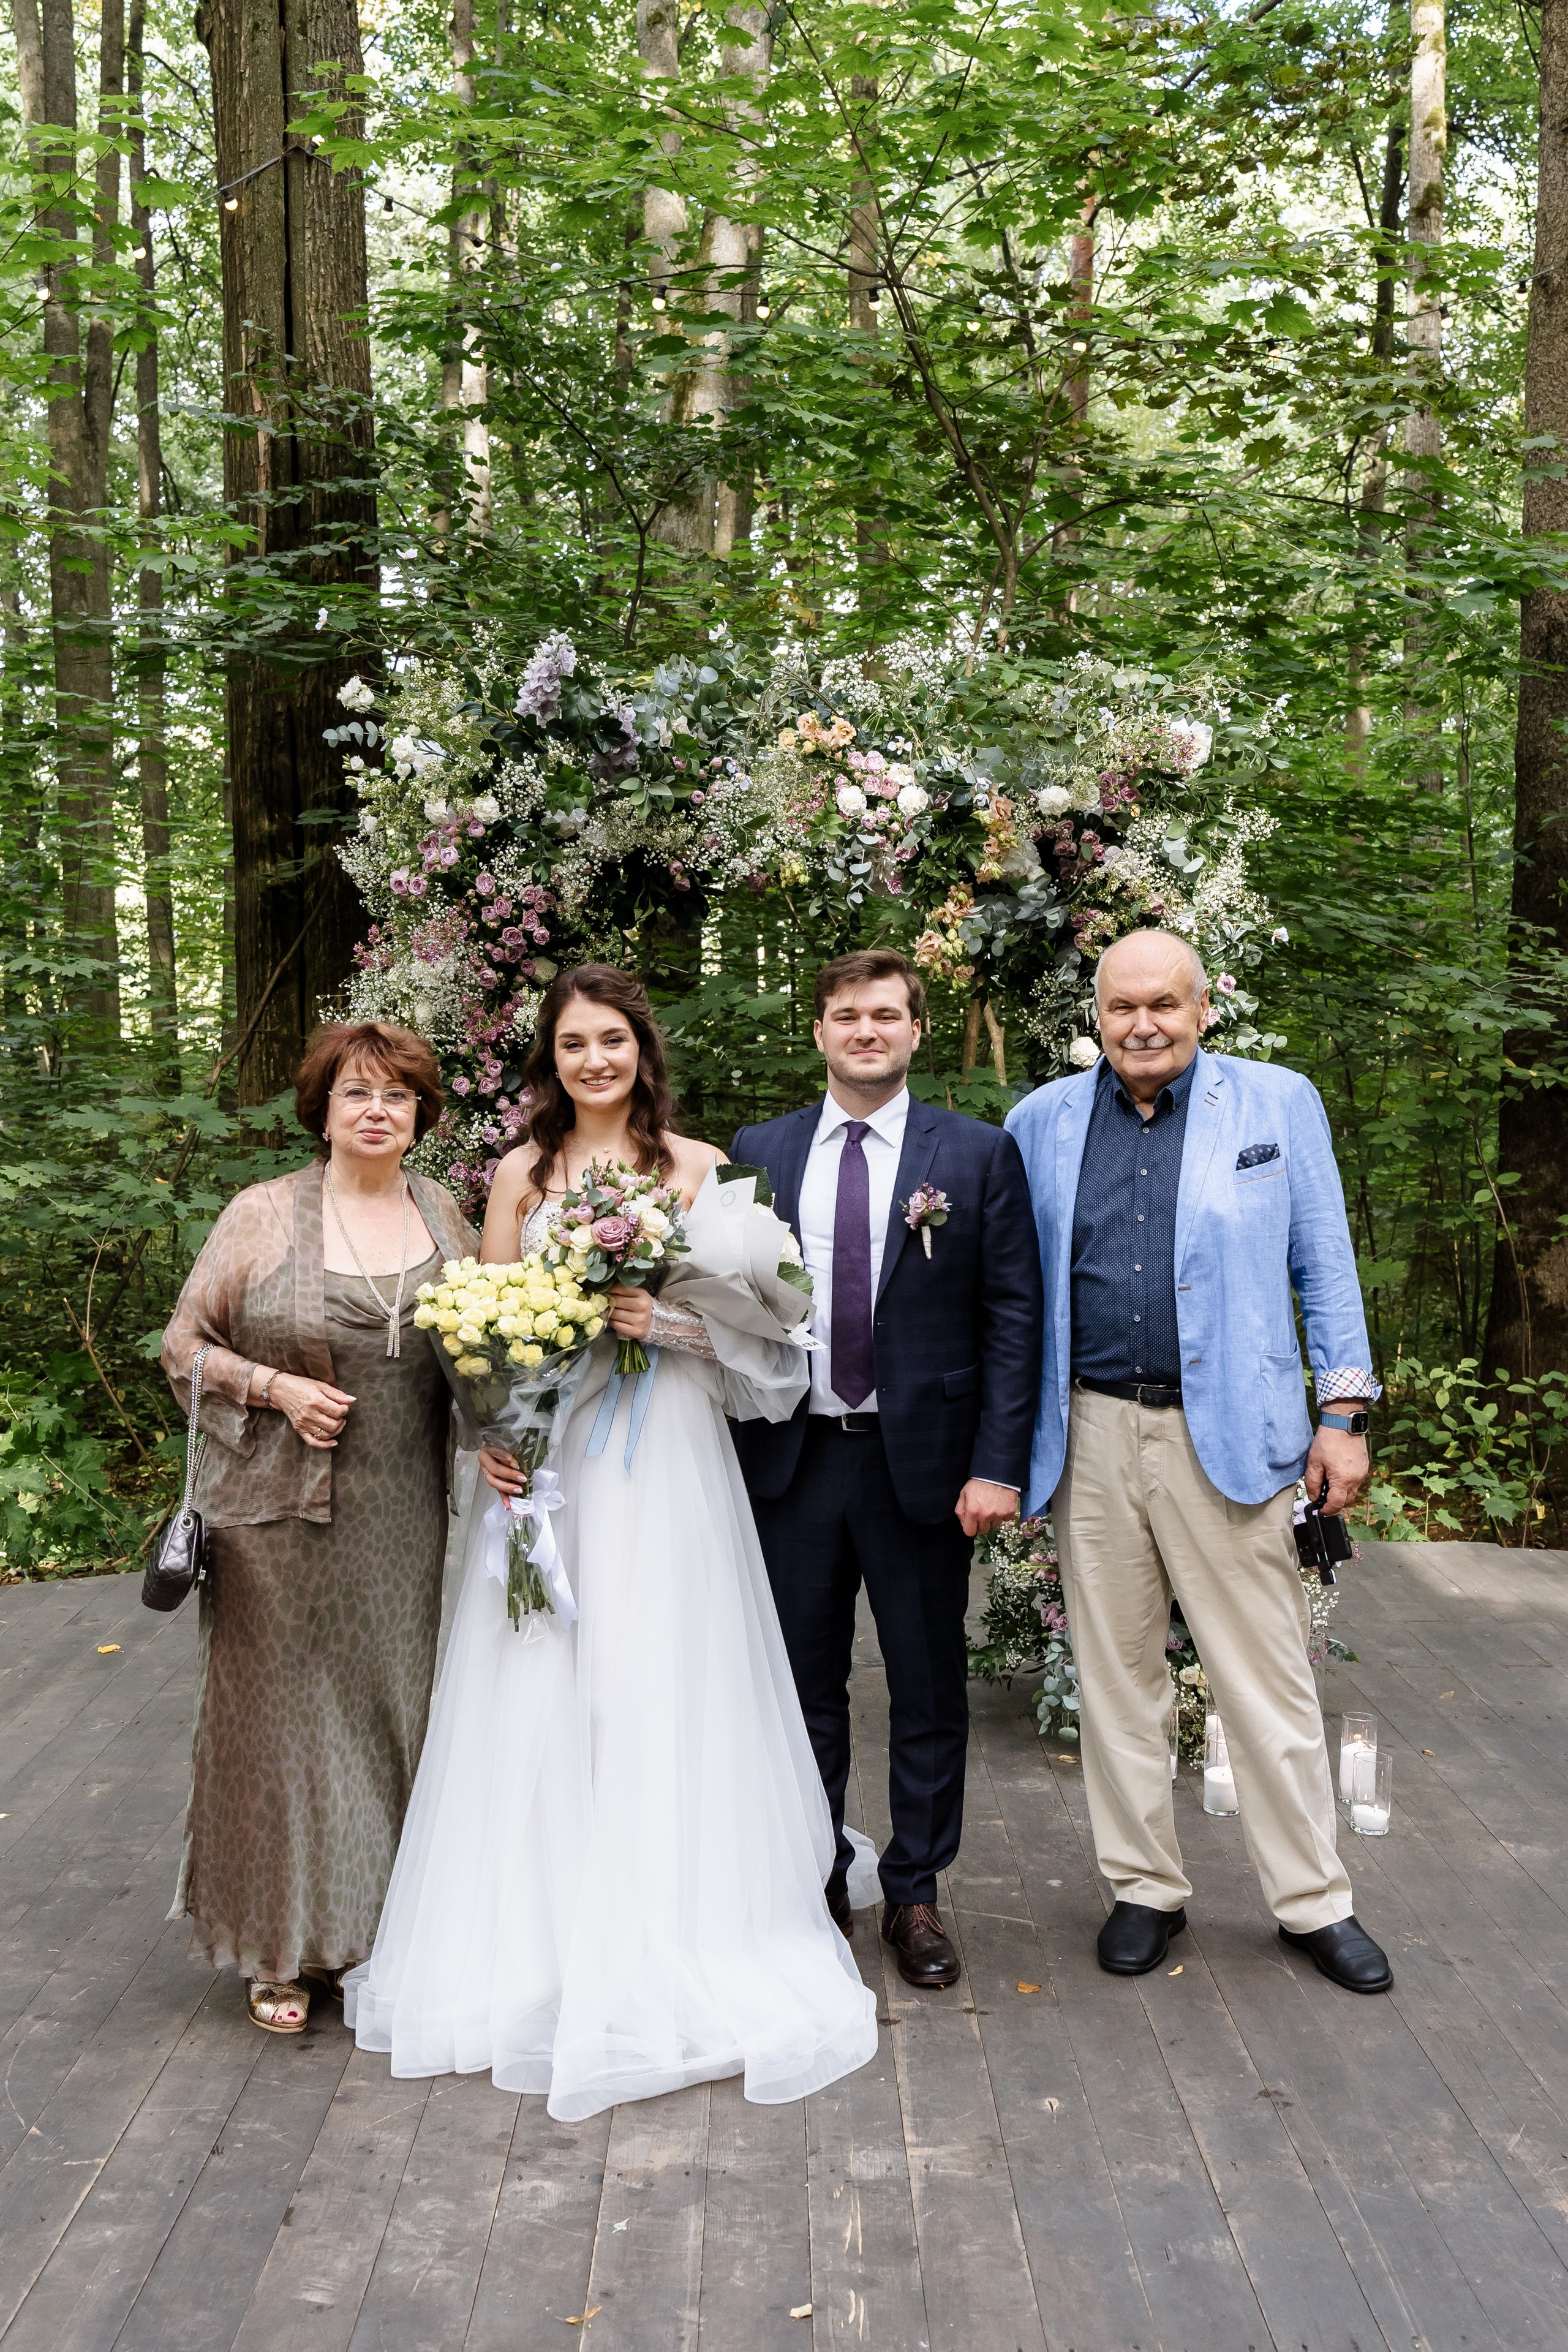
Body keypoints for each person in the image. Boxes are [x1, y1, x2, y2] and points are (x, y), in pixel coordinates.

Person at [344, 964, 878, 2117]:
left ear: (643, 1050)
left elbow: (766, 1332)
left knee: (655, 1670)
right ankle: (534, 1931)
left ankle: (674, 1918)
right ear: (552, 1058)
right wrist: (495, 1434)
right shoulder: (519, 1175)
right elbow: (485, 1325)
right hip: (554, 1460)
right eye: (574, 1044)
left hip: (665, 1455)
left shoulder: (699, 1168)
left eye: (613, 1041)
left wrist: (662, 1317)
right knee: (542, 1671)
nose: (595, 1061)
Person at [1005, 928, 1392, 1993]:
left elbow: (1325, 1262)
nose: (1143, 1025)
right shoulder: (1040, 1122)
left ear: (1203, 1007)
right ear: (1097, 1015)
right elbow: (1013, 1293)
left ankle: (1313, 1902)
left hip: (1230, 1434)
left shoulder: (1276, 1104)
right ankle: (1144, 1890)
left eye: (1164, 1005)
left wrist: (1344, 1413)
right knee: (1115, 1679)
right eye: (1122, 1007)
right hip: (1088, 1434)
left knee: (1263, 1682)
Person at [731, 950, 1042, 1990]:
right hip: (793, 1458)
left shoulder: (979, 1154)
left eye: (885, 1015)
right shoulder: (761, 1151)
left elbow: (1013, 1320)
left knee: (927, 1687)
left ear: (916, 1030)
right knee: (800, 1689)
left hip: (926, 1468)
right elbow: (730, 1301)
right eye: (846, 1015)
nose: (865, 1031)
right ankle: (813, 1879)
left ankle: (914, 1891)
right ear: (819, 1031)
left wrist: (998, 1466)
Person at [160, 1022, 476, 2034]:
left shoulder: (446, 1213)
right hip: (275, 1522)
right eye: (356, 1094)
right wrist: (277, 1387)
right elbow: (182, 1346)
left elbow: (481, 1353)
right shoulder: (262, 1215)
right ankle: (280, 1949)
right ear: (324, 1111)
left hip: (400, 1520)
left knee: (389, 1718)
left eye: (397, 1094)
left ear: (421, 1113)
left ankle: (373, 1934)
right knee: (284, 1733)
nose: (377, 1110)